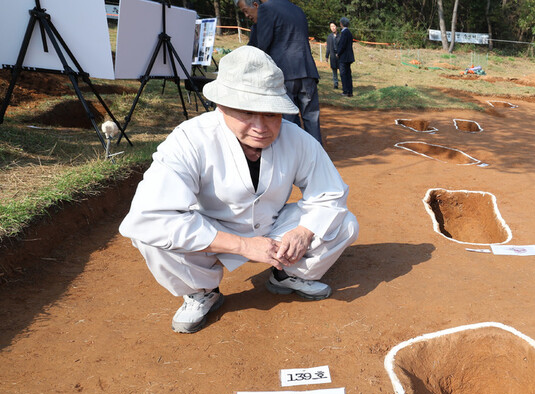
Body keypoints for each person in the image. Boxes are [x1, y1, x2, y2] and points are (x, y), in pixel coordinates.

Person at [119, 46, 358, 334]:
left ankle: (288, 275)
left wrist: (302, 232)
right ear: (221, 106)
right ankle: (201, 290)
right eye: (247, 112)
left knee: (344, 223)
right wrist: (242, 245)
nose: (261, 127)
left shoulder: (297, 140)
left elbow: (330, 193)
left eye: (271, 114)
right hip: (211, 232)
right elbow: (149, 217)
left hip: (273, 228)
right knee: (151, 239)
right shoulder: (189, 140)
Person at [253, 0, 322, 144]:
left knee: (288, 120)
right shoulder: (297, 9)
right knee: (312, 118)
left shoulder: (266, 8)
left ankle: (293, 158)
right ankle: (317, 156)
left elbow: (263, 44)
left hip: (284, 73)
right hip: (307, 70)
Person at [334, 17, 354, 98]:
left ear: (341, 24)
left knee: (343, 74)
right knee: (348, 74)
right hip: (349, 57)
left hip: (344, 57)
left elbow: (342, 45)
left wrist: (338, 53)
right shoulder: (349, 32)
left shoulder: (344, 33)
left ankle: (345, 91)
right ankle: (350, 91)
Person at [324, 22, 339, 90]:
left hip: (340, 56)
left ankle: (345, 84)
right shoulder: (329, 37)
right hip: (332, 56)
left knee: (342, 70)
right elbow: (328, 48)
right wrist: (326, 56)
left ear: (336, 27)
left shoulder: (340, 36)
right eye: (331, 26)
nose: (333, 28)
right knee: (334, 70)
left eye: (334, 26)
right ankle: (335, 84)